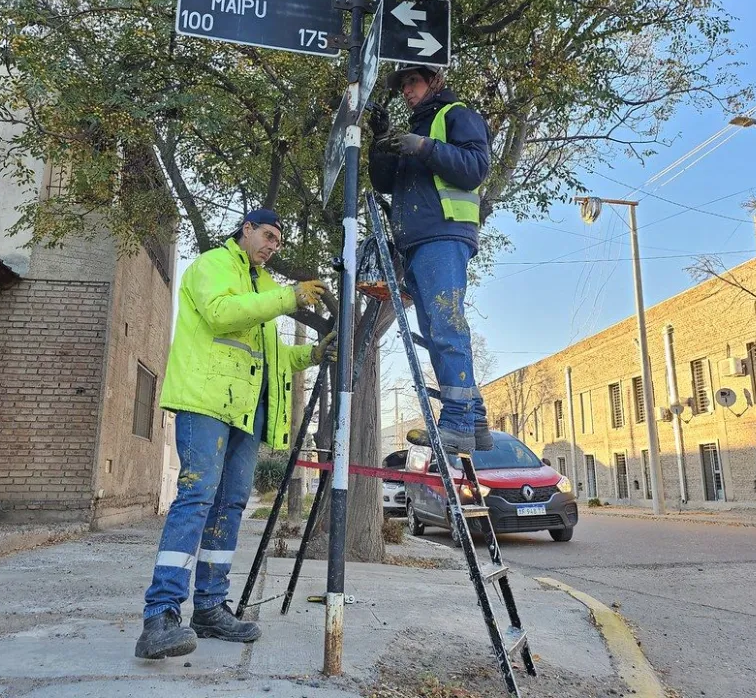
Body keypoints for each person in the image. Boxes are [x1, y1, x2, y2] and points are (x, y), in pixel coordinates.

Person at [136, 209, 336, 660]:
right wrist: (288, 299)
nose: (272, 245)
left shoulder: (263, 285)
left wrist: (315, 353)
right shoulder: (211, 266)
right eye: (267, 235)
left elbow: (270, 356)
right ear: (245, 229)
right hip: (205, 404)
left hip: (245, 412)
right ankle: (160, 616)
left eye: (278, 242)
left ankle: (209, 608)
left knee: (230, 506)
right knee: (196, 497)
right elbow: (221, 315)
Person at [367, 63, 492, 454]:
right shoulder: (415, 129)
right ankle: (475, 419)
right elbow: (384, 183)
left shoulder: (456, 115)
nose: (407, 90)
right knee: (439, 328)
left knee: (446, 324)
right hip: (417, 242)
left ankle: (456, 420)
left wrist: (425, 148)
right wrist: (381, 140)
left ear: (435, 80)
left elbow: (475, 168)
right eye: (403, 85)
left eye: (413, 81)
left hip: (443, 233)